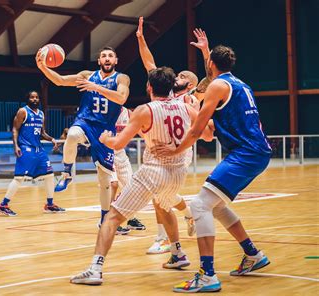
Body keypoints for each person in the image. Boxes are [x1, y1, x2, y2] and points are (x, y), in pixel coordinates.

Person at [69, 67, 213, 285]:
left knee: (112, 218)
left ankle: (95, 269)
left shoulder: (145, 110)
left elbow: (118, 143)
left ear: (149, 87)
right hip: (178, 172)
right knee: (164, 205)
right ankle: (178, 254)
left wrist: (106, 139)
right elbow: (208, 135)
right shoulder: (186, 107)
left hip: (154, 171)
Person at [152, 45, 271, 293]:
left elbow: (197, 131)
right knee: (216, 205)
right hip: (256, 152)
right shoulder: (239, 84)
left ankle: (207, 274)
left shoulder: (217, 86)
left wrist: (175, 150)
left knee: (199, 205)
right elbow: (208, 133)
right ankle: (253, 254)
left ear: (210, 66)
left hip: (245, 153)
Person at [137, 17, 209, 254]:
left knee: (159, 196)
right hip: (158, 146)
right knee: (164, 195)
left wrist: (205, 51)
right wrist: (140, 39)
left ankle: (165, 239)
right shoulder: (163, 91)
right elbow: (149, 63)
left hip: (179, 151)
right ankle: (187, 215)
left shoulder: (191, 99)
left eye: (181, 77)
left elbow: (210, 79)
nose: (176, 78)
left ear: (189, 85)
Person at [36, 46, 130, 227]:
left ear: (116, 60)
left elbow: (121, 98)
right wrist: (43, 67)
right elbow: (61, 81)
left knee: (105, 182)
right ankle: (67, 174)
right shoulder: (88, 75)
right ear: (99, 61)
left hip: (104, 130)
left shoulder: (121, 78)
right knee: (71, 135)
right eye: (103, 56)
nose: (107, 58)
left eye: (111, 56)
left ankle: (104, 218)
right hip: (85, 121)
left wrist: (97, 88)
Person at [0, 91, 65, 216]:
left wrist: (52, 139)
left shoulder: (41, 114)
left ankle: (49, 204)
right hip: (26, 148)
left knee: (49, 175)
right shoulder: (23, 111)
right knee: (19, 178)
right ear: (28, 99)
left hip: (39, 149)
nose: (35, 99)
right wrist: (16, 145)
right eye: (32, 97)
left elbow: (42, 133)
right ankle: (3, 204)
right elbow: (15, 129)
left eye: (37, 97)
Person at [109, 106, 146, 235]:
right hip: (106, 152)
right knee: (113, 185)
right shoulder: (105, 109)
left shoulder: (128, 113)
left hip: (120, 153)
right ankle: (106, 220)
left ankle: (130, 218)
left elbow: (144, 132)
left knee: (131, 187)